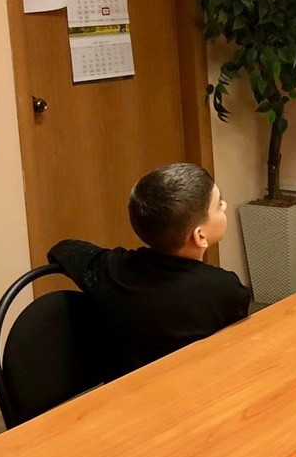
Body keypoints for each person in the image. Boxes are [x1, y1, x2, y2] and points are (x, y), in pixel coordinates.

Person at [49, 162, 251, 378]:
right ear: (200, 236)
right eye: (218, 204)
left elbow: (64, 250)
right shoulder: (223, 289)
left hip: (125, 391)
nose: (225, 205)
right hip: (195, 389)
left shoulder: (111, 270)